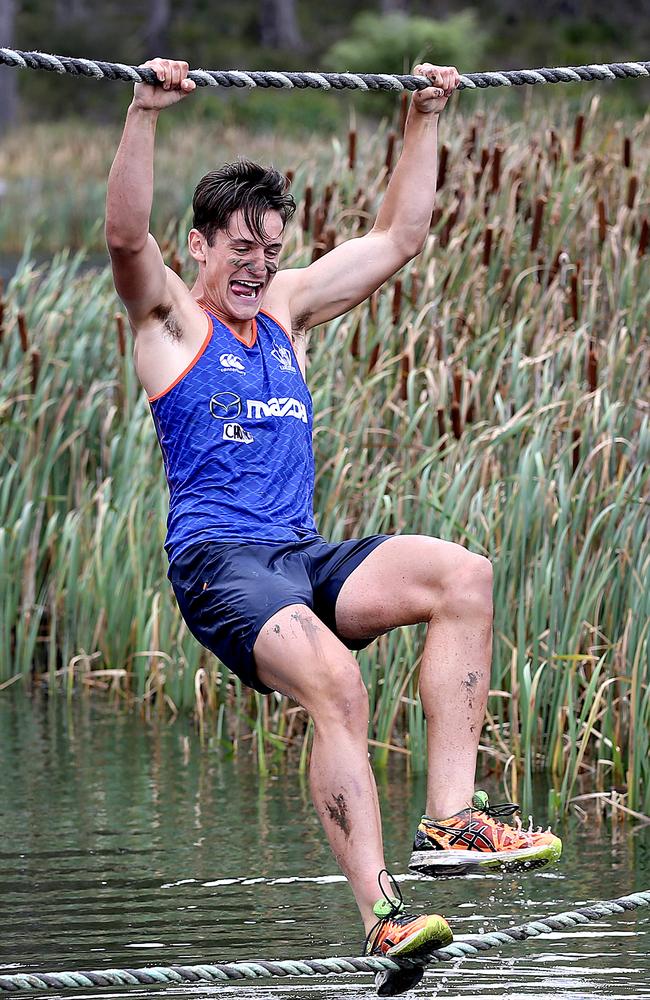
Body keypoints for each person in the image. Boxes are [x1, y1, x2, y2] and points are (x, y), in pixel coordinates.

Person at [105, 57, 562, 995]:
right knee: (338, 686)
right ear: (199, 247)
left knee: (463, 577)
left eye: (270, 248)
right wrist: (145, 111)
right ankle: (383, 918)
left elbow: (401, 234)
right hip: (219, 566)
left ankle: (452, 820)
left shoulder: (286, 313)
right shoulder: (169, 326)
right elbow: (121, 235)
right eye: (240, 248)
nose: (258, 266)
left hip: (299, 557)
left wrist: (424, 114)